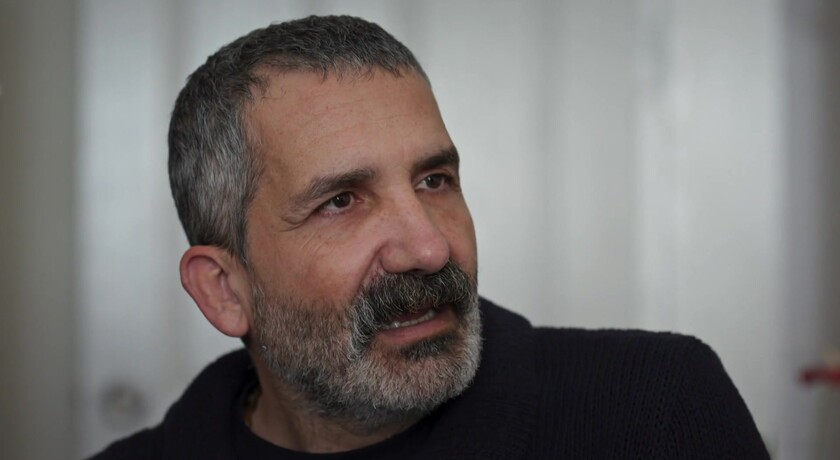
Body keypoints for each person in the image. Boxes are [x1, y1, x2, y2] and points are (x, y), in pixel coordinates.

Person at [91, 15, 769, 459]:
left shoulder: (655, 410)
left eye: (434, 180)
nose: (430, 249)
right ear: (224, 290)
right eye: (341, 202)